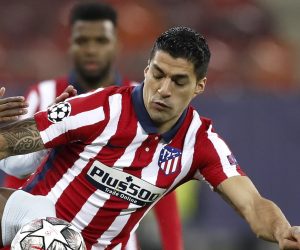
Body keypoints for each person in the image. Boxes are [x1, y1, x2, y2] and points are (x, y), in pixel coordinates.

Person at [1, 26, 300, 250]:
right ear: (146, 70)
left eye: (179, 81)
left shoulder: (200, 144)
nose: (163, 89)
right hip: (36, 227)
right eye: (158, 74)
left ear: (200, 86)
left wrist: (281, 230)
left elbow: (252, 203)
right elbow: (8, 145)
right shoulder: (98, 109)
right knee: (46, 223)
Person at [0, 2, 183, 250]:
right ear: (70, 45)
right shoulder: (41, 96)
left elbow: (161, 185)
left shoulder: (150, 105)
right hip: (43, 238)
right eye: (82, 41)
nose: (91, 50)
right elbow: (14, 172)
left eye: (100, 41)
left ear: (116, 45)